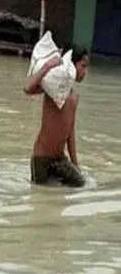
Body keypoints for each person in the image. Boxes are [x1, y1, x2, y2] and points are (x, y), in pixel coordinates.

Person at [23, 45, 89, 187]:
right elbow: (27, 88)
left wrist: (76, 164)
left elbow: (70, 134)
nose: (85, 72)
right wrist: (47, 66)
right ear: (71, 65)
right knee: (40, 196)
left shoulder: (74, 98)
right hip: (41, 159)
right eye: (82, 66)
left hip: (59, 158)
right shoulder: (53, 89)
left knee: (80, 183)